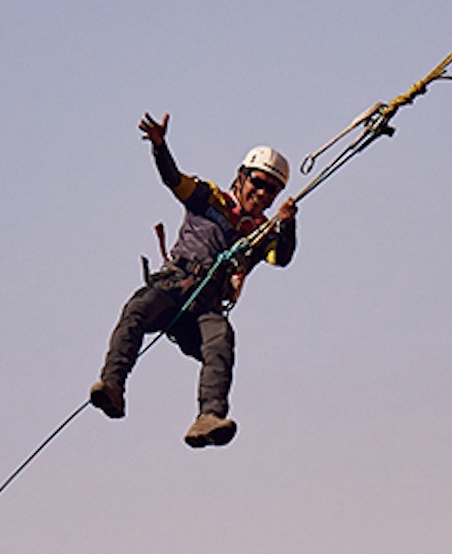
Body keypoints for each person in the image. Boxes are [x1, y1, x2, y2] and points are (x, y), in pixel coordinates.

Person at [90, 113, 299, 448]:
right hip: (175, 286)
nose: (262, 194)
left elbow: (281, 257)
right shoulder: (209, 198)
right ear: (241, 177)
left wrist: (287, 223)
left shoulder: (260, 234)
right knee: (138, 309)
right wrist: (160, 146)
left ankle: (209, 417)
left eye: (271, 190)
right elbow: (174, 180)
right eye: (257, 183)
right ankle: (112, 385)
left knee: (221, 340)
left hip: (205, 308)